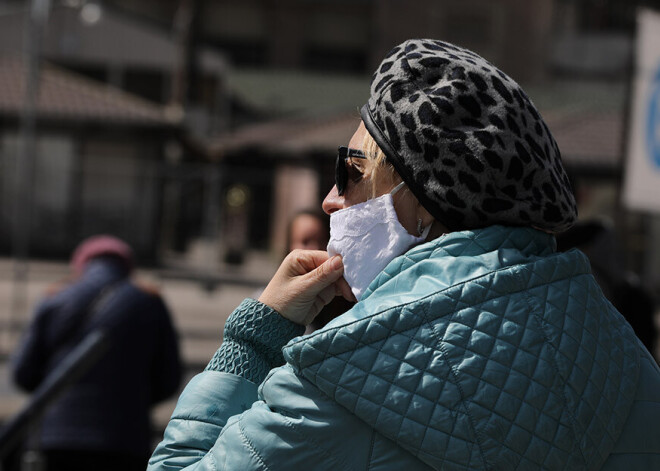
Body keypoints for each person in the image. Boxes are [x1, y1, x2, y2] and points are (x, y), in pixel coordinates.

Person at [149, 39, 660, 470]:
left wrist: (256, 338)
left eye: (349, 173)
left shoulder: (339, 375)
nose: (330, 198)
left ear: (425, 201)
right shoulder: (629, 362)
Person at [12, 235, 182, 471]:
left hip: (57, 438)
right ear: (128, 267)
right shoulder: (150, 303)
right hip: (124, 439)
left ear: (80, 265)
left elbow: (23, 373)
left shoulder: (54, 298)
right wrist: (134, 398)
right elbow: (169, 378)